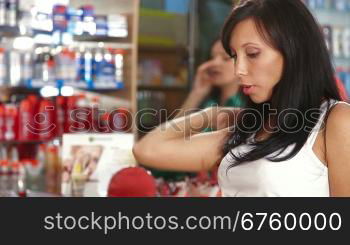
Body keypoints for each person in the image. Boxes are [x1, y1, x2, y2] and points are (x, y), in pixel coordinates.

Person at [133, 0, 350, 197]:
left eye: (253, 54)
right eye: (235, 56)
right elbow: (147, 150)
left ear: (294, 50)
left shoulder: (335, 121)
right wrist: (211, 115)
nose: (239, 70)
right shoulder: (249, 127)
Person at [176, 39, 243, 118]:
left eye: (226, 58)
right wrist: (197, 94)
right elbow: (173, 129)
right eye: (212, 58)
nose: (214, 63)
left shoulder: (249, 106)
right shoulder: (209, 103)